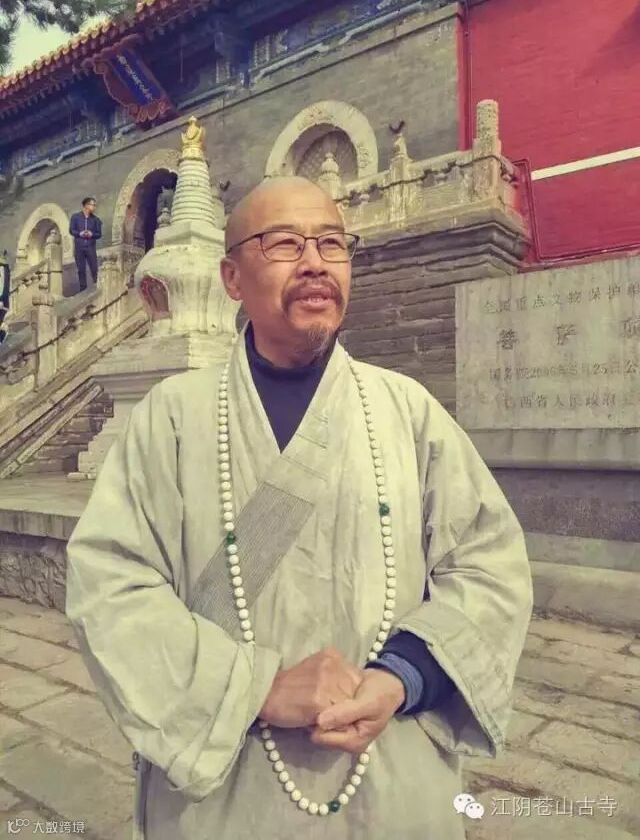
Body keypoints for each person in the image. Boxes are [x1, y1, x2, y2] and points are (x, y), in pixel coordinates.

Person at [65, 176, 533, 840]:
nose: (315, 262)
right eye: (285, 243)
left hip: (389, 780)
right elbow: (109, 584)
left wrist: (404, 675)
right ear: (231, 278)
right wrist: (252, 688)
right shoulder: (171, 418)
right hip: (226, 791)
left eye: (332, 243)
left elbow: (488, 562)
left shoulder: (407, 410)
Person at [69, 196, 102, 291]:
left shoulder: (96, 220)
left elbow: (99, 234)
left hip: (91, 247)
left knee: (94, 268)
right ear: (86, 205)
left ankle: (97, 288)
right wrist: (80, 233)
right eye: (93, 205)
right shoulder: (75, 217)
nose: (94, 207)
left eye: (95, 205)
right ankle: (83, 291)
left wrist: (92, 234)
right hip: (79, 248)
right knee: (81, 270)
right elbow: (71, 230)